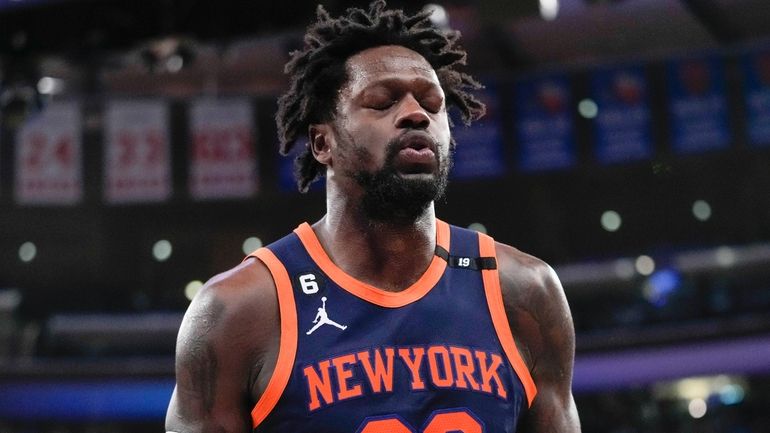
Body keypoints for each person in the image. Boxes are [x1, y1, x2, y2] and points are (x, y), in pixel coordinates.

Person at [165, 1, 581, 432]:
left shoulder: (525, 291)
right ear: (322, 143)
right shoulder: (239, 310)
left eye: (432, 103)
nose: (416, 114)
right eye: (382, 102)